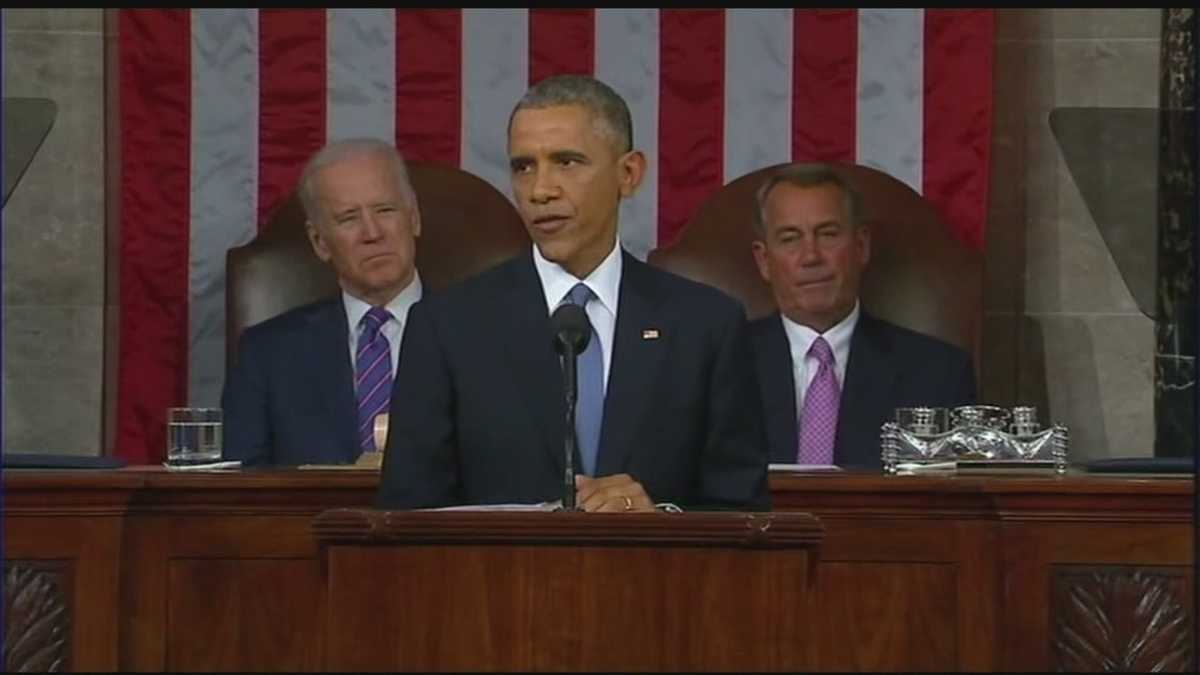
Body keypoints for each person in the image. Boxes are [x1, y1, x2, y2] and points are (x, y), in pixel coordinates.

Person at [376, 74, 768, 512]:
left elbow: (744, 519)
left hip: (658, 580)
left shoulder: (705, 325)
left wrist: (661, 520)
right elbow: (405, 517)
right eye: (524, 166)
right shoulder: (447, 327)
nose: (541, 190)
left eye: (567, 162)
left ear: (629, 173)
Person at [748, 163, 977, 469]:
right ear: (764, 260)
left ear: (861, 246)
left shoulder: (939, 372)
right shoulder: (720, 363)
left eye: (827, 234)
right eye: (790, 238)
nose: (811, 256)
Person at [222, 138, 424, 465]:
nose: (372, 232)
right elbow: (242, 490)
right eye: (348, 218)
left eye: (385, 210)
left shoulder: (480, 336)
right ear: (319, 241)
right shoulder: (267, 354)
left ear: (413, 218)